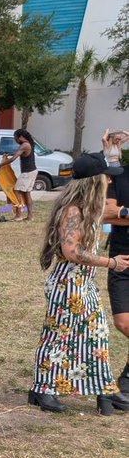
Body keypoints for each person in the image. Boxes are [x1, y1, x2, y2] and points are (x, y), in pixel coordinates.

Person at [29, 136, 129, 416]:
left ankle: (104, 388)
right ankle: (42, 389)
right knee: (59, 337)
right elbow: (72, 252)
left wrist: (112, 148)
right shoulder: (73, 211)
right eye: (107, 178)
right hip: (67, 284)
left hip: (83, 284)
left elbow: (114, 200)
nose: (110, 182)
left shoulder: (90, 209)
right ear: (94, 182)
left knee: (97, 334)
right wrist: (111, 262)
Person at [103, 130, 129, 394]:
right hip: (122, 259)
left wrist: (122, 212)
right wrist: (120, 212)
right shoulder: (121, 176)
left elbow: (115, 213)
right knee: (123, 322)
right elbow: (104, 214)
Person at [0, 128, 37, 222]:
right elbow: (20, 153)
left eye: (15, 138)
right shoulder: (29, 143)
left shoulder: (25, 145)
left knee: (17, 191)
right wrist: (10, 154)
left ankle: (19, 215)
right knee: (26, 193)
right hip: (32, 171)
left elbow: (13, 159)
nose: (15, 140)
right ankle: (30, 216)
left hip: (27, 173)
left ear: (20, 137)